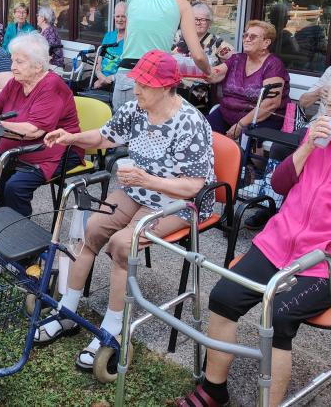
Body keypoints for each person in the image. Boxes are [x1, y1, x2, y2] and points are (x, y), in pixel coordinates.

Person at [175, 67, 331, 407]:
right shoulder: (314, 138)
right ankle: (214, 390)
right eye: (328, 105)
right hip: (278, 244)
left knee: (278, 315)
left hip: (327, 263)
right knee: (223, 297)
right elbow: (279, 186)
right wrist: (307, 148)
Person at [36, 50, 216, 370]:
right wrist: (71, 137)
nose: (136, 90)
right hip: (138, 189)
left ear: (165, 87)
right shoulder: (135, 110)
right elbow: (105, 136)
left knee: (122, 245)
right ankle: (67, 312)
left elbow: (193, 186)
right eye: (137, 83)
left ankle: (113, 329)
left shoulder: (190, 122)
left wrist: (148, 179)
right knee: (91, 230)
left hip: (179, 202)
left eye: (144, 85)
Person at [0, 32, 81, 217]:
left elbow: (33, 131)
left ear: (38, 66)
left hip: (54, 149)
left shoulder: (52, 86)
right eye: (13, 61)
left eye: (19, 62)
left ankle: (17, 234)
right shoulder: (16, 82)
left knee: (15, 187)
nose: (12, 67)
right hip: (14, 147)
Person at [114, 0, 221, 110]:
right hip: (154, 81)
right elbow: (198, 56)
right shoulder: (180, 4)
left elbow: (132, 39)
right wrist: (209, 72)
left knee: (121, 135)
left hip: (125, 78)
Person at [206, 20, 290, 140]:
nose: (247, 39)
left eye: (253, 36)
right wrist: (199, 61)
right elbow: (214, 75)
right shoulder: (236, 59)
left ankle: (244, 159)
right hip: (226, 113)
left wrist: (240, 125)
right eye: (245, 35)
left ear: (266, 43)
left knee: (248, 139)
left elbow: (270, 104)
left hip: (259, 118)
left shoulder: (273, 65)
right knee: (203, 132)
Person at [172, 1, 234, 110]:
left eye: (203, 20)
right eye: (195, 19)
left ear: (210, 23)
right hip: (172, 87)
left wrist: (217, 71)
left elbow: (235, 60)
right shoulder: (177, 36)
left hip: (199, 91)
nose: (198, 22)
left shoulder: (216, 42)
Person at [92, 2, 126, 89]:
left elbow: (126, 71)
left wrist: (103, 81)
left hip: (115, 82)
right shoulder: (109, 35)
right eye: (117, 16)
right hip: (100, 76)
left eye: (123, 16)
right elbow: (100, 59)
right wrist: (100, 76)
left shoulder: (130, 41)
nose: (120, 19)